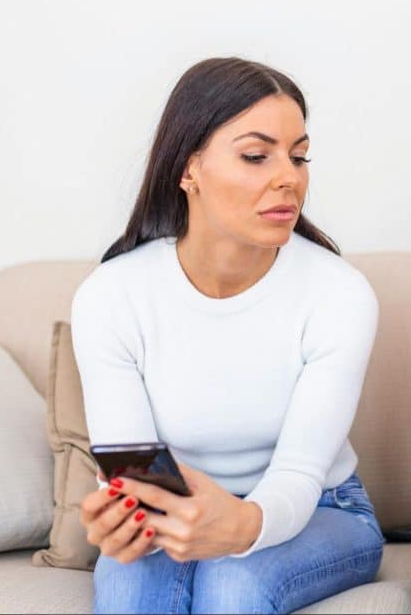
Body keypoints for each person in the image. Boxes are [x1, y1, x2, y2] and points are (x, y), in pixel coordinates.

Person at [72, 57, 383, 614]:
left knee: (231, 583)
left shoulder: (340, 294)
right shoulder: (112, 295)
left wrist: (238, 527)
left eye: (299, 155)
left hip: (323, 509)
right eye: (256, 155)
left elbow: (299, 473)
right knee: (127, 592)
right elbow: (133, 467)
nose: (289, 176)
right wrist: (121, 513)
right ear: (188, 169)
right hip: (175, 507)